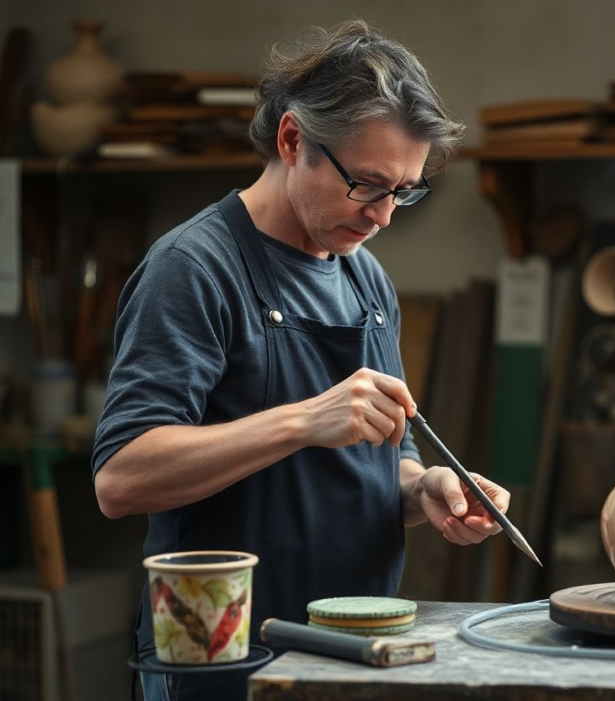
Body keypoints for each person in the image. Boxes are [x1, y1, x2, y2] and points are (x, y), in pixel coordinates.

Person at [92, 20, 511, 701]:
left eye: (403, 191)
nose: (382, 216)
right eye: (368, 184)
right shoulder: (193, 269)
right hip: (220, 660)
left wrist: (424, 490)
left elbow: (381, 459)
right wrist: (302, 421)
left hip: (349, 656)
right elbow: (120, 477)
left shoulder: (365, 279)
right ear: (293, 141)